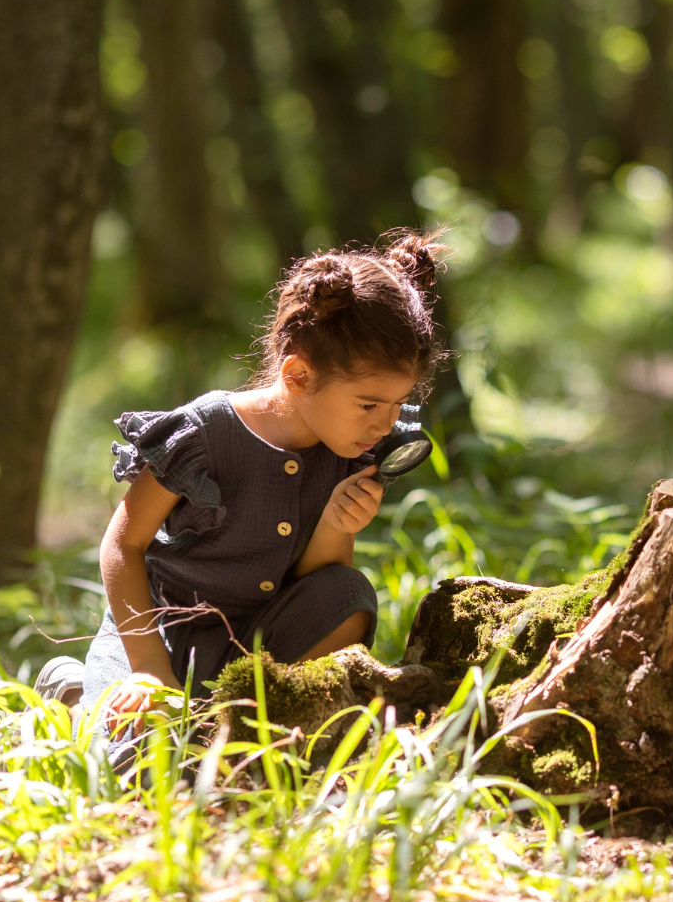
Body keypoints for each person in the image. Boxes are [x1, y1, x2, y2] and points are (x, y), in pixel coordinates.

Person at [33, 231, 447, 731]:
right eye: (369, 404)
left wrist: (338, 524)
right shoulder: (205, 433)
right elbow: (122, 544)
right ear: (297, 375)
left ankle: (259, 720)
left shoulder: (350, 446)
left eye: (398, 404)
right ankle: (75, 692)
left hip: (257, 642)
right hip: (160, 635)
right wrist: (147, 669)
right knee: (140, 757)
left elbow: (317, 585)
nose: (385, 424)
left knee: (347, 594)